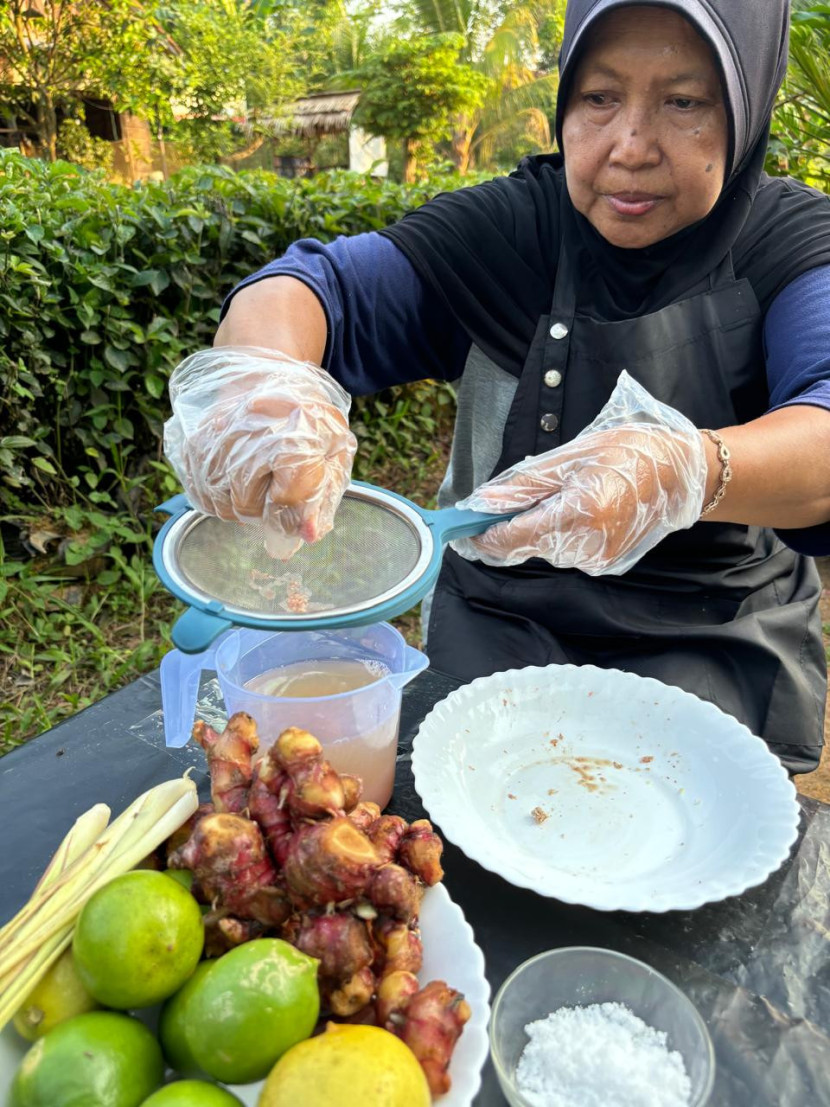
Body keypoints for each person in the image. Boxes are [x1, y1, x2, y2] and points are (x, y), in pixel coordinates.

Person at [164, 0, 830, 775]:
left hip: (714, 639)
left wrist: (689, 469)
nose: (630, 146)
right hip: (500, 624)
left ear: (746, 108)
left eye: (684, 103)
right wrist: (264, 391)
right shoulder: (514, 229)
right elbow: (311, 289)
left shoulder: (792, 241)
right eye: (599, 97)